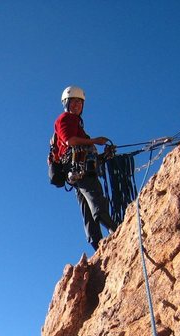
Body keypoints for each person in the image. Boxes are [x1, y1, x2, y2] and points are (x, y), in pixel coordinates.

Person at [53, 85, 117, 250]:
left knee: (87, 209)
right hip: (79, 169)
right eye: (73, 102)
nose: (77, 105)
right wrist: (95, 141)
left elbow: (87, 154)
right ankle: (116, 231)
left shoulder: (77, 125)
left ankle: (98, 246)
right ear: (66, 103)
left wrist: (104, 156)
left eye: (79, 103)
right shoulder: (66, 119)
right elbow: (70, 141)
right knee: (95, 199)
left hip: (78, 170)